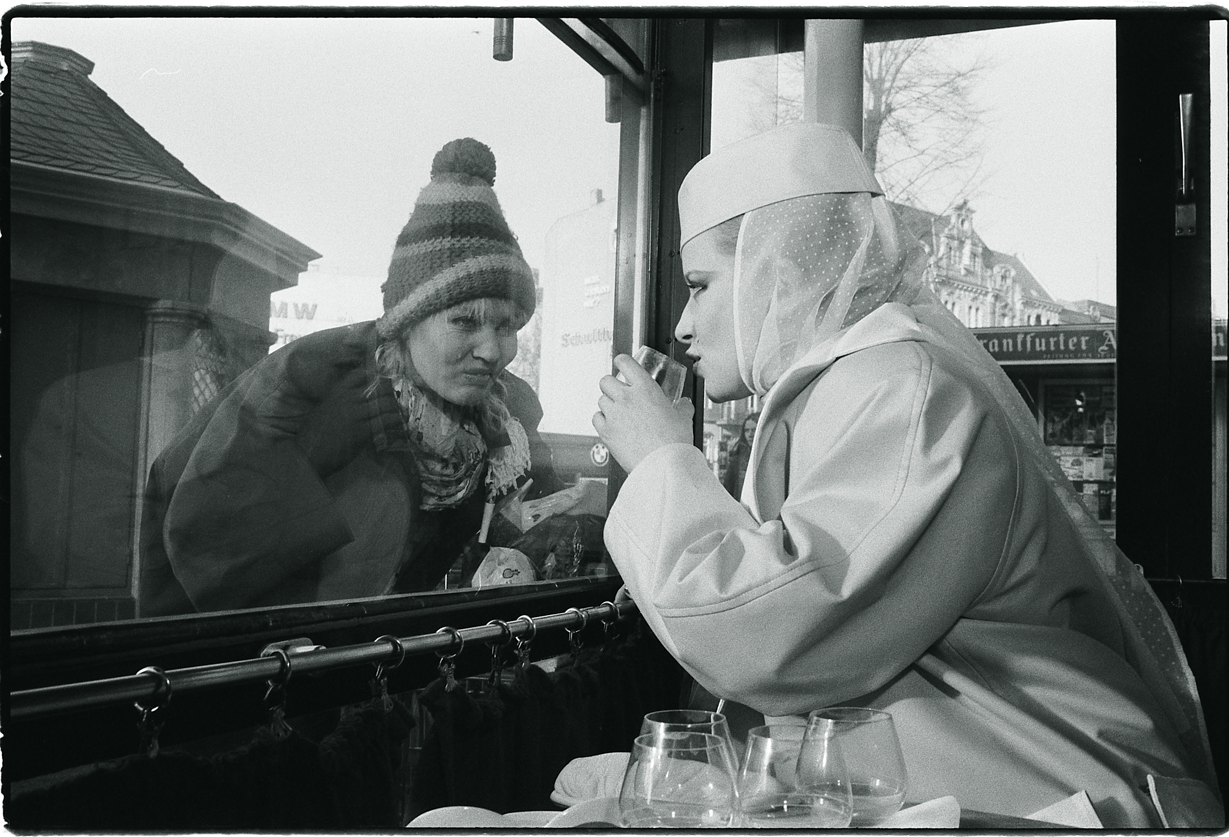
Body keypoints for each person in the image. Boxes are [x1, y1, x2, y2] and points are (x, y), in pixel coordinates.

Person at [594, 122, 1222, 827]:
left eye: (699, 285)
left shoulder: (900, 388)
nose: (682, 325)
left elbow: (768, 633)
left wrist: (659, 460)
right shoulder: (859, 384)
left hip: (1060, 796)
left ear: (778, 274)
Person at [140, 138, 562, 615]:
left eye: (506, 327)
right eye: (465, 321)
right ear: (407, 321)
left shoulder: (497, 419)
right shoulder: (315, 381)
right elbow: (204, 538)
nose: (492, 351)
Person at [721, 411, 759, 498]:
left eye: (754, 430)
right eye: (747, 430)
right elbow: (727, 490)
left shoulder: (768, 459)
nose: (750, 434)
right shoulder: (737, 461)